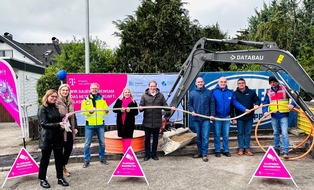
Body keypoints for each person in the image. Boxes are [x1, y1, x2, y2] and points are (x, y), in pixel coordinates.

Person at [37, 89, 69, 188]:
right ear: (47, 97)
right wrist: (58, 124)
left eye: (55, 97)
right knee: (45, 160)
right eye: (52, 96)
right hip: (47, 138)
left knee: (59, 159)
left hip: (57, 138)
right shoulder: (42, 108)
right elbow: (44, 124)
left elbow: (57, 117)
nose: (54, 98)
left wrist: (65, 116)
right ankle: (42, 179)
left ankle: (60, 178)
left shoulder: (55, 107)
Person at [211, 77, 250, 157]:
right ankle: (217, 150)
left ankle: (226, 150)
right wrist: (212, 115)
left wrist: (244, 109)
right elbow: (211, 105)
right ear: (218, 82)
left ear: (226, 83)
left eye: (224, 82)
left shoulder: (230, 93)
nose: (223, 83)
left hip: (227, 117)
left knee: (226, 135)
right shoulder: (213, 92)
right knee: (217, 134)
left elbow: (235, 103)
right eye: (221, 82)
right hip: (217, 117)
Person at [139, 80, 176, 161]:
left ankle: (154, 154)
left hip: (157, 121)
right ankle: (147, 154)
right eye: (151, 86)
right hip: (147, 122)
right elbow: (141, 107)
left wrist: (170, 108)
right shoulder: (144, 96)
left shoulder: (160, 96)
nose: (152, 88)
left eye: (154, 86)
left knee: (156, 139)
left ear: (156, 87)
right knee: (147, 139)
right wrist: (140, 108)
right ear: (149, 87)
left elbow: (165, 106)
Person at [262, 76, 295, 158]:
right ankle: (277, 149)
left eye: (274, 82)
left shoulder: (285, 89)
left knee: (284, 133)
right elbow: (265, 103)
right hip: (274, 115)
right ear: (269, 83)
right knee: (276, 133)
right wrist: (265, 111)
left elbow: (295, 98)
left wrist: (292, 104)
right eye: (271, 82)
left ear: (277, 82)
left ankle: (285, 151)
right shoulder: (268, 92)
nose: (273, 83)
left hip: (283, 115)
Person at [81, 83, 109, 168]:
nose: (94, 90)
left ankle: (102, 158)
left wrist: (107, 111)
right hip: (90, 125)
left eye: (96, 88)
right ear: (90, 89)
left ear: (98, 89)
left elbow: (106, 111)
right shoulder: (86, 100)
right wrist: (89, 112)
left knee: (102, 143)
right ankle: (86, 160)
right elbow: (82, 112)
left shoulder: (102, 99)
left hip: (100, 124)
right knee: (87, 144)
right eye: (93, 88)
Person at [188, 77, 215, 162]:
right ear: (196, 83)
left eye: (201, 82)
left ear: (203, 82)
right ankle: (199, 152)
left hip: (206, 119)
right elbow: (189, 105)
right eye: (198, 82)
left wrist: (212, 115)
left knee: (205, 137)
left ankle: (204, 154)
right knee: (199, 137)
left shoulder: (209, 92)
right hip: (196, 119)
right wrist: (192, 111)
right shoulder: (192, 93)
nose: (200, 83)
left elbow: (212, 104)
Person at [232, 78, 260, 156]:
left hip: (249, 117)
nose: (241, 84)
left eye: (242, 83)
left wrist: (257, 104)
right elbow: (232, 106)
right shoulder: (234, 94)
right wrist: (233, 117)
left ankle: (247, 148)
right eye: (239, 83)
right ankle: (241, 148)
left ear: (245, 84)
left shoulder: (251, 92)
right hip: (240, 117)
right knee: (240, 133)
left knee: (248, 133)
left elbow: (257, 100)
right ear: (237, 85)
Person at [56, 84, 78, 177]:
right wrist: (64, 116)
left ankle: (63, 165)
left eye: (66, 90)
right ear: (60, 91)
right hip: (60, 130)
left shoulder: (70, 101)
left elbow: (74, 116)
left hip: (69, 129)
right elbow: (54, 116)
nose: (65, 92)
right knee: (60, 149)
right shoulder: (56, 102)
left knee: (69, 149)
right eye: (63, 90)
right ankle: (62, 168)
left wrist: (75, 127)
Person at [113, 87, 139, 153]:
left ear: (130, 93)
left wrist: (130, 111)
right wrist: (120, 110)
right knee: (123, 137)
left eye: (128, 92)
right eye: (126, 92)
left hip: (129, 123)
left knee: (128, 137)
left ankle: (126, 153)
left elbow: (136, 112)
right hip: (121, 122)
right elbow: (114, 109)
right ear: (123, 93)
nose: (127, 93)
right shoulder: (119, 100)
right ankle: (125, 152)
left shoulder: (133, 101)